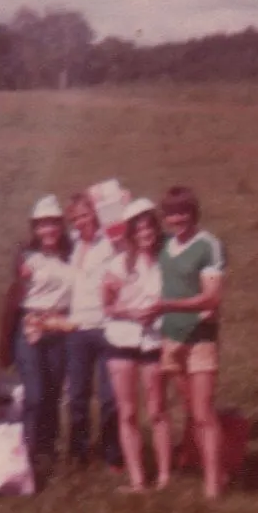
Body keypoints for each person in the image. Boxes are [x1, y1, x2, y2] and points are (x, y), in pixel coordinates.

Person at [147, 186, 225, 500]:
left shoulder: (208, 246)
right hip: (172, 337)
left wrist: (167, 305)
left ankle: (213, 484)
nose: (177, 219)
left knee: (204, 411)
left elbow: (213, 298)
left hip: (200, 338)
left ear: (194, 214)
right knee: (190, 408)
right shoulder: (164, 245)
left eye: (183, 213)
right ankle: (199, 464)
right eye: (171, 214)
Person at [1, 195, 74, 465]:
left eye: (53, 223)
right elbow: (13, 298)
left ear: (61, 225)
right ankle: (27, 452)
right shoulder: (27, 257)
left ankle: (48, 448)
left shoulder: (73, 254)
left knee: (53, 393)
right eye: (43, 224)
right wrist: (5, 341)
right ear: (35, 228)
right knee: (35, 392)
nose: (49, 230)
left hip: (60, 327)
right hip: (30, 327)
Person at [102, 199, 168, 492]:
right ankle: (137, 479)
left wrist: (158, 312)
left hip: (154, 340)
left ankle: (165, 477)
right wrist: (131, 312)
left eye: (149, 227)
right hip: (122, 339)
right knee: (127, 412)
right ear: (130, 234)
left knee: (157, 410)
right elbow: (107, 306)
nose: (145, 234)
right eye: (138, 229)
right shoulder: (118, 264)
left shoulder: (167, 260)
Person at [64, 192, 122, 470]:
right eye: (74, 218)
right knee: (77, 395)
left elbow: (122, 214)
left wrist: (118, 200)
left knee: (110, 397)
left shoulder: (110, 241)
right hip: (77, 329)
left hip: (107, 327)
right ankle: (79, 454)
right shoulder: (71, 244)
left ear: (96, 216)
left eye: (85, 216)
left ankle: (113, 455)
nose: (79, 223)